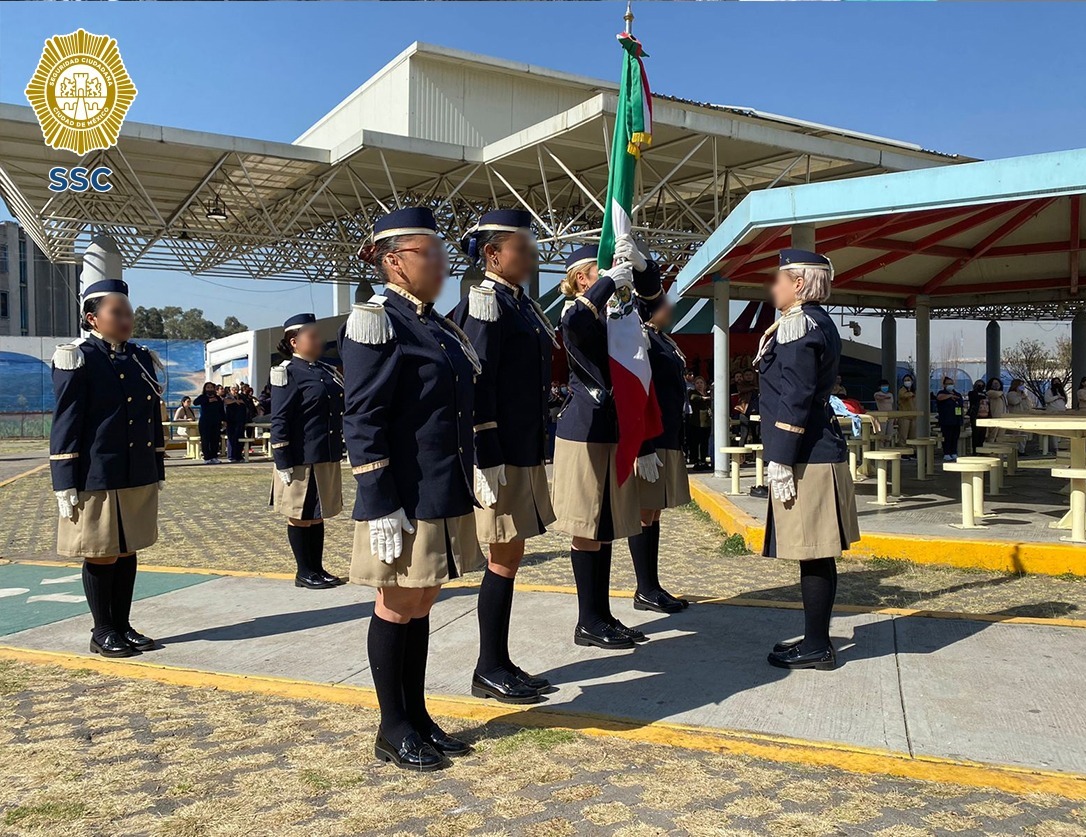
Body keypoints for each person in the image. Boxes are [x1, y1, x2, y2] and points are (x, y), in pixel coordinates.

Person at [341, 207, 479, 771]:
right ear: (394, 261)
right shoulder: (377, 321)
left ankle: (417, 715)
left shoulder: (434, 324)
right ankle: (391, 726)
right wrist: (377, 499)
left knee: (423, 598)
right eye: (433, 255)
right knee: (397, 603)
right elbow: (363, 416)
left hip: (441, 483)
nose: (443, 266)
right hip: (403, 490)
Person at [451, 208, 557, 704]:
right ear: (493, 254)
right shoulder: (487, 303)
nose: (534, 256)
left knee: (510, 554)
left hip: (522, 447)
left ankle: (498, 660)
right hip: (500, 452)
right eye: (523, 248)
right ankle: (488, 665)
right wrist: (485, 450)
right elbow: (478, 382)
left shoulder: (519, 304)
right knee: (502, 554)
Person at [50, 278, 165, 658]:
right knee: (102, 551)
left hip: (135, 470)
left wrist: (156, 465)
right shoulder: (77, 357)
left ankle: (122, 623)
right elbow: (67, 421)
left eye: (129, 312)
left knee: (128, 548)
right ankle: (102, 630)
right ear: (92, 318)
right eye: (117, 312)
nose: (127, 318)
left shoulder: (140, 357)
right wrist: (63, 481)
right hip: (96, 472)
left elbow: (150, 418)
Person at [759, 250, 860, 672]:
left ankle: (818, 646)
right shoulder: (811, 322)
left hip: (807, 453)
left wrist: (780, 457)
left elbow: (796, 395)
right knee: (815, 553)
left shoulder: (801, 326)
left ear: (798, 283)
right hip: (816, 449)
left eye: (779, 279)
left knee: (815, 552)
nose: (773, 287)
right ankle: (816, 638)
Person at [552, 238, 651, 650]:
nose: (611, 275)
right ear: (581, 279)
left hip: (611, 426)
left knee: (605, 526)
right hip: (584, 429)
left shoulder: (614, 312)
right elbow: (576, 325)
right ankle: (588, 619)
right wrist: (606, 284)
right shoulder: (574, 311)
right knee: (586, 526)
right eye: (600, 269)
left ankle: (602, 614)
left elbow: (653, 302)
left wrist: (642, 266)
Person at [629, 261, 690, 614]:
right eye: (666, 302)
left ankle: (651, 585)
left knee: (653, 513)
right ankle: (645, 587)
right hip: (652, 438)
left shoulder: (662, 340)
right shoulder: (642, 340)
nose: (671, 307)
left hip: (668, 434)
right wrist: (643, 446)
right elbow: (640, 395)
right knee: (644, 512)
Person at [270, 313, 346, 590]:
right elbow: (280, 418)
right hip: (300, 457)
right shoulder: (287, 372)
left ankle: (318, 568)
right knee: (300, 514)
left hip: (324, 452)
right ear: (294, 341)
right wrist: (282, 459)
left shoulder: (325, 371)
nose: (319, 341)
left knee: (317, 513)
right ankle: (304, 571)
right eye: (312, 336)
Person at [193, 382, 225, 464]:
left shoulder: (218, 398)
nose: (210, 389)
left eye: (211, 387)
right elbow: (195, 402)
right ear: (205, 389)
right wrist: (208, 400)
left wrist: (224, 420)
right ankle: (207, 457)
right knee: (205, 440)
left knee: (215, 440)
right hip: (205, 422)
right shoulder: (203, 397)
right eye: (208, 387)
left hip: (216, 422)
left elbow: (221, 410)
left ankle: (214, 456)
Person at [936, 377, 965, 461]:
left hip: (956, 419)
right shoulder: (942, 393)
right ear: (944, 385)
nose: (950, 385)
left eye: (951, 383)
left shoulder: (958, 394)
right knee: (947, 437)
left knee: (955, 437)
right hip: (946, 420)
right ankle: (946, 453)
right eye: (948, 383)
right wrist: (950, 396)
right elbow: (939, 398)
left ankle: (954, 452)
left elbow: (961, 406)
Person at [687, 377, 712, 469]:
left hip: (707, 421)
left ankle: (704, 460)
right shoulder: (693, 393)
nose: (699, 384)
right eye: (697, 383)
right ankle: (697, 461)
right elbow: (693, 398)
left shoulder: (708, 393)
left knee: (705, 442)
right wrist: (703, 398)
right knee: (696, 442)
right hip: (697, 422)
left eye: (701, 382)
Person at [223, 386, 248, 462]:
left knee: (240, 438)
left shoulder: (241, 397)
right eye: (233, 389)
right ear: (230, 390)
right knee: (232, 439)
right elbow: (225, 401)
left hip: (240, 421)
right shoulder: (227, 396)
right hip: (231, 421)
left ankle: (239, 456)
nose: (235, 391)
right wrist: (235, 401)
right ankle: (231, 456)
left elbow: (245, 402)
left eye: (236, 389)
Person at [966, 380, 988, 452]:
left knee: (983, 433)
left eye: (982, 385)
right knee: (976, 433)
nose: (980, 387)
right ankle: (975, 450)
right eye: (978, 385)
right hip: (975, 415)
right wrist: (981, 396)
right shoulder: (972, 393)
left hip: (984, 415)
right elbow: (974, 399)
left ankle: (981, 449)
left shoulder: (985, 394)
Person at [897, 374, 917, 448]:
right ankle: (903, 452)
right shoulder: (902, 390)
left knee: (913, 436)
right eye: (905, 380)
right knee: (903, 435)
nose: (907, 382)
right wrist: (910, 393)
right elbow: (903, 396)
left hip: (913, 416)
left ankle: (912, 451)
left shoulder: (915, 391)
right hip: (904, 416)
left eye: (908, 380)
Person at [986, 378, 1007, 443]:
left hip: (1003, 417)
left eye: (998, 383)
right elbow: (996, 394)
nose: (997, 385)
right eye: (995, 383)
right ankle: (990, 451)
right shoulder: (990, 392)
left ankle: (999, 452)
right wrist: (1001, 392)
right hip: (994, 417)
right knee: (992, 436)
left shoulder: (1002, 395)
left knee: (1000, 437)